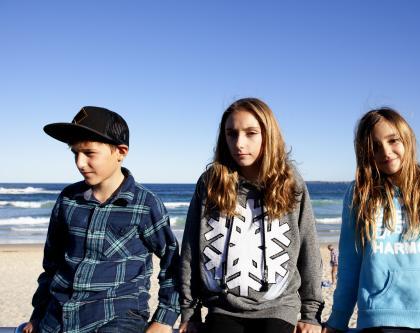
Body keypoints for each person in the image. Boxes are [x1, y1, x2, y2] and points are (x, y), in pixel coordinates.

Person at [323, 107, 420, 333]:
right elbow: (350, 263)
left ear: (407, 139)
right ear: (365, 153)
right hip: (382, 317)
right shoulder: (360, 194)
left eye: (392, 140)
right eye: (375, 147)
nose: (386, 152)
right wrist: (338, 320)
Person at [23, 106, 180, 333]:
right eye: (75, 153)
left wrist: (164, 320)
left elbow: (173, 263)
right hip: (57, 317)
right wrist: (38, 314)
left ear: (120, 151)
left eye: (89, 153)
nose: (79, 163)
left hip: (116, 317)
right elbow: (52, 265)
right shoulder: (68, 199)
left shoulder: (145, 204)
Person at [179, 98, 323, 333]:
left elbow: (308, 246)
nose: (239, 143)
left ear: (269, 135)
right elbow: (191, 250)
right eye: (231, 133)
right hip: (223, 307)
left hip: (279, 306)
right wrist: (190, 311)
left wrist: (311, 314)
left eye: (251, 133)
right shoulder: (210, 183)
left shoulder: (289, 182)